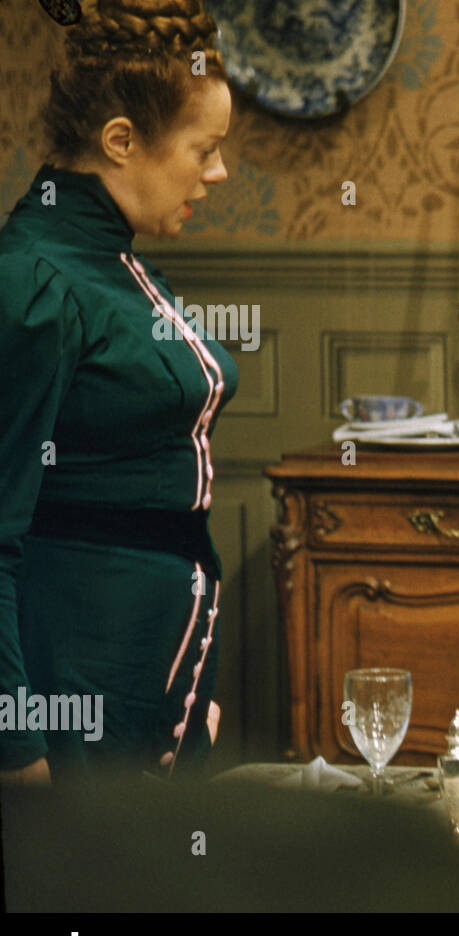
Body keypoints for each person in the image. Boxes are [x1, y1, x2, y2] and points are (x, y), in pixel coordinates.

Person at [0, 0, 236, 785]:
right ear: (121, 140)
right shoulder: (36, 280)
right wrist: (17, 752)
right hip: (69, 694)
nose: (218, 171)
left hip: (143, 688)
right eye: (205, 149)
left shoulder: (110, 257)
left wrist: (185, 688)